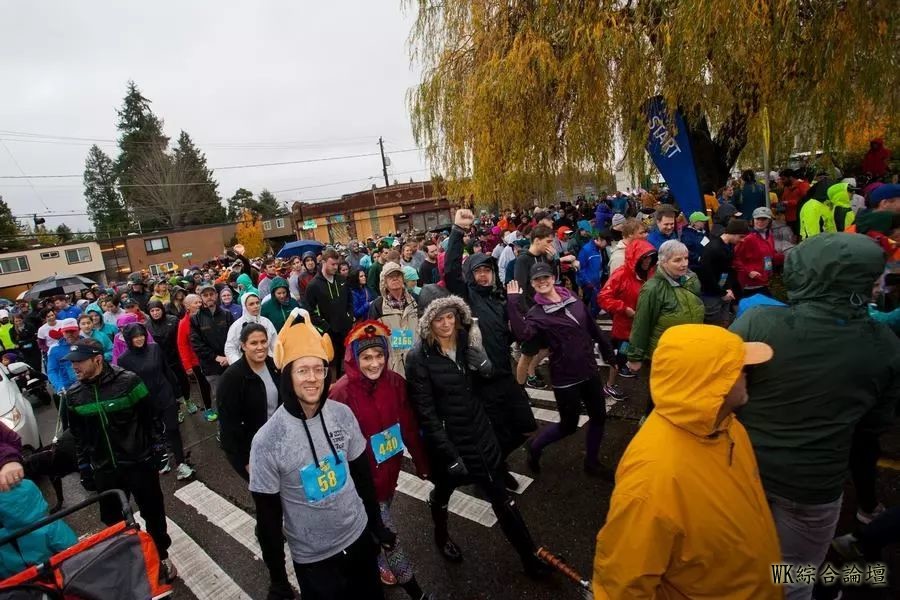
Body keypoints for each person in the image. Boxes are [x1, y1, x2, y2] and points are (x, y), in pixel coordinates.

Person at [730, 233, 900, 600]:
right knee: (793, 575)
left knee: (742, 561)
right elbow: (874, 425)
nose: (877, 288)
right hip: (814, 485)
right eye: (873, 280)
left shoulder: (759, 323)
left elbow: (717, 387)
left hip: (746, 471)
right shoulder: (885, 346)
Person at [592, 324, 782, 599]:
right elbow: (622, 587)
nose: (746, 375)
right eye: (738, 368)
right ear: (710, 381)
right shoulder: (652, 479)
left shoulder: (729, 427)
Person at [250, 308, 397, 599]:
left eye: (319, 369)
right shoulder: (267, 441)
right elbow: (267, 519)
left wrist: (376, 525)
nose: (313, 379)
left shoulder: (342, 415)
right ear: (287, 375)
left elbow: (362, 475)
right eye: (302, 370)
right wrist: (278, 579)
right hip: (314, 559)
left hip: (358, 539)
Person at [405, 295, 550, 577]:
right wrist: (448, 453)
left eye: (451, 316)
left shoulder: (465, 343)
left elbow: (485, 387)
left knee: (502, 497)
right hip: (449, 443)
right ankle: (441, 534)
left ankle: (529, 558)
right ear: (428, 323)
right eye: (439, 319)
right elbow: (426, 412)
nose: (447, 324)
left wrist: (486, 369)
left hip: (480, 433)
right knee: (444, 491)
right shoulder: (417, 357)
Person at [329, 321, 433, 596]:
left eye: (379, 356)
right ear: (354, 357)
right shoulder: (340, 393)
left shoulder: (396, 382)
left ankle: (373, 551)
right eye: (366, 357)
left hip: (390, 472)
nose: (374, 363)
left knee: (375, 526)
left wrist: (422, 463)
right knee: (389, 536)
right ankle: (416, 591)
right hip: (361, 483)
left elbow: (409, 425)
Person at [64, 339, 177, 584]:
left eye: (79, 361)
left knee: (153, 512)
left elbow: (152, 418)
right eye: (72, 362)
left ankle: (161, 554)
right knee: (113, 520)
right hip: (105, 469)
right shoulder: (73, 396)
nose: (74, 367)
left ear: (97, 359)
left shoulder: (128, 381)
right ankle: (134, 558)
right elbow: (78, 437)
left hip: (139, 462)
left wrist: (158, 450)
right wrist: (84, 467)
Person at [444, 209, 536, 488]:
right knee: (493, 432)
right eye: (479, 271)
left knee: (524, 426)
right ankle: (494, 472)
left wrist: (515, 306)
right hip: (482, 382)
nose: (484, 276)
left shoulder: (498, 299)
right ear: (471, 275)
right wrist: (458, 232)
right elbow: (450, 271)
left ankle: (492, 464)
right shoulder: (465, 299)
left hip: (504, 375)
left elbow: (513, 334)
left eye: (487, 271)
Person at [508, 263, 620, 478]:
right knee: (569, 425)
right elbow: (524, 335)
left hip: (588, 369)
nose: (542, 282)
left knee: (599, 416)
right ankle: (534, 447)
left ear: (553, 277)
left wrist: (608, 353)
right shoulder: (536, 314)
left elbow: (592, 326)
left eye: (545, 277)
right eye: (537, 280)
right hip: (565, 377)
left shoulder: (571, 297)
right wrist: (512, 303)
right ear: (532, 284)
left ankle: (592, 462)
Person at [627, 240, 704, 417]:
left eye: (685, 258)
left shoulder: (690, 280)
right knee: (661, 397)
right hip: (664, 357)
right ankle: (650, 430)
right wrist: (635, 357)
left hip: (688, 352)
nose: (684, 263)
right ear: (663, 262)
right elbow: (642, 324)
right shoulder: (652, 288)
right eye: (677, 260)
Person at [118, 322, 194, 481]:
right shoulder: (124, 360)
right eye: (135, 337)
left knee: (172, 428)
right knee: (156, 433)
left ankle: (181, 463)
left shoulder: (155, 348)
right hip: (145, 401)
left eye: (141, 335)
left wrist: (177, 392)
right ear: (128, 339)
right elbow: (126, 385)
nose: (139, 339)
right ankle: (163, 458)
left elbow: (167, 370)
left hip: (165, 394)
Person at [218, 324, 281, 480]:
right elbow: (229, 425)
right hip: (253, 450)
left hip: (279, 443)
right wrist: (245, 462)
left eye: (263, 341)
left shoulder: (275, 365)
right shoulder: (231, 379)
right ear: (243, 346)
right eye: (254, 343)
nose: (260, 347)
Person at [599, 239, 658, 379]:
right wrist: (624, 309)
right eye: (644, 258)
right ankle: (617, 371)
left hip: (641, 323)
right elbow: (603, 297)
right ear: (635, 258)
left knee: (628, 345)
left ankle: (605, 350)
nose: (647, 261)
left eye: (650, 258)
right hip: (625, 325)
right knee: (623, 350)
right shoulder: (621, 274)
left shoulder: (651, 273)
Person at [305, 249, 354, 379]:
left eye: (337, 264)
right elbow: (310, 311)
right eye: (332, 264)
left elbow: (350, 301)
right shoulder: (313, 285)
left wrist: (349, 317)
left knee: (347, 363)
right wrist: (326, 327)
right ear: (323, 262)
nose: (335, 267)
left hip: (345, 331)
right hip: (328, 334)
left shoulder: (342, 280)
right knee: (332, 368)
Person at [190, 283, 235, 421]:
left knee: (234, 394)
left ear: (216, 295)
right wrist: (216, 357)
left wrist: (228, 357)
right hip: (211, 367)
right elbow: (197, 344)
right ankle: (223, 427)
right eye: (205, 295)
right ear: (201, 297)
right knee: (219, 397)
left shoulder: (226, 315)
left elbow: (234, 338)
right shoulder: (195, 319)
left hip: (230, 362)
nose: (209, 297)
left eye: (211, 294)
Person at [368, 262, 419, 377]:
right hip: (391, 364)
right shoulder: (377, 306)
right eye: (391, 276)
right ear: (384, 282)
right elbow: (372, 337)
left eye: (398, 275)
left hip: (416, 363)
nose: (395, 278)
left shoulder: (416, 301)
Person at [696, 218, 750, 326]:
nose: (742, 240)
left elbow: (727, 269)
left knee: (725, 323)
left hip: (725, 292)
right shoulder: (713, 248)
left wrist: (728, 289)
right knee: (714, 326)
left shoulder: (729, 246)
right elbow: (706, 275)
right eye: (741, 237)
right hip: (711, 295)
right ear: (733, 233)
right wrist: (722, 293)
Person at [146, 299, 191, 414]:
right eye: (152, 311)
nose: (155, 313)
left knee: (183, 380)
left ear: (162, 310)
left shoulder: (173, 320)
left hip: (176, 356)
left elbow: (181, 339)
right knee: (168, 385)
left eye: (157, 310)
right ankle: (177, 408)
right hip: (160, 360)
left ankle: (188, 400)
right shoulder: (147, 325)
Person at [734, 207, 783, 299]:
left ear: (769, 221)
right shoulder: (748, 238)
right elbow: (735, 258)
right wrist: (749, 272)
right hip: (751, 284)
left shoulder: (769, 235)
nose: (760, 221)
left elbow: (771, 254)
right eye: (758, 218)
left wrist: (786, 256)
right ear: (753, 220)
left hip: (764, 280)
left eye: (764, 219)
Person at [176, 294, 210, 419]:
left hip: (209, 358)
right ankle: (207, 409)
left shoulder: (205, 317)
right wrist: (187, 365)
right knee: (203, 386)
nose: (199, 305)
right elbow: (182, 345)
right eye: (196, 303)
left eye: (200, 302)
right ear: (187, 306)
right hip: (195, 361)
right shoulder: (183, 323)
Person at [224, 291, 278, 365]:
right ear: (244, 307)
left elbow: (275, 344)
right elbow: (230, 349)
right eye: (251, 304)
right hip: (247, 366)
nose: (256, 306)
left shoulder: (266, 322)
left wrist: (276, 361)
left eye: (257, 303)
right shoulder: (237, 326)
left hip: (268, 363)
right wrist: (239, 365)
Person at [576, 230, 610, 317]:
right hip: (588, 286)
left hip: (596, 284)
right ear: (600, 239)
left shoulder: (601, 250)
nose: (607, 245)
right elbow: (580, 268)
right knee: (587, 309)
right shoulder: (586, 250)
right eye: (606, 242)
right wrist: (586, 282)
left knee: (595, 308)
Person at [46, 319, 80, 397]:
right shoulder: (55, 349)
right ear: (62, 332)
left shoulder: (87, 343)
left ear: (78, 330)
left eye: (72, 331)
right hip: (69, 389)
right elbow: (52, 371)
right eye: (66, 332)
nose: (70, 334)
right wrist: (59, 387)